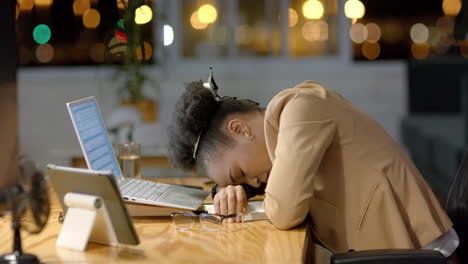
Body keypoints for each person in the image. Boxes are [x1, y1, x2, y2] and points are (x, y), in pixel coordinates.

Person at [167, 69, 459, 261]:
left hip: (416, 252)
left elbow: (284, 211)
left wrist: (240, 189)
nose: (253, 182)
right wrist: (227, 190)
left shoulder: (300, 108)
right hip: (382, 250)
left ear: (240, 129)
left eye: (240, 173)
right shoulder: (281, 138)